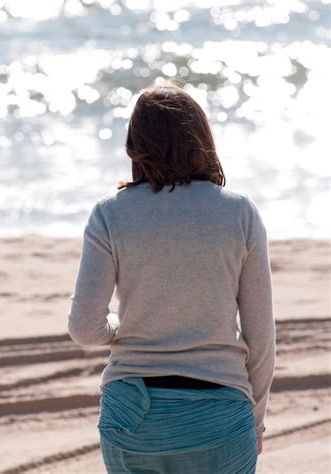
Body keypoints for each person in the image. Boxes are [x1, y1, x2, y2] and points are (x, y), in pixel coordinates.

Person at [67, 82, 276, 473]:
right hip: (219, 417)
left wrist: (124, 326)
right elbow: (261, 337)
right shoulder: (240, 213)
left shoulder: (109, 214)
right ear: (201, 139)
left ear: (134, 145)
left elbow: (84, 328)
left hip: (133, 416)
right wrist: (256, 421)